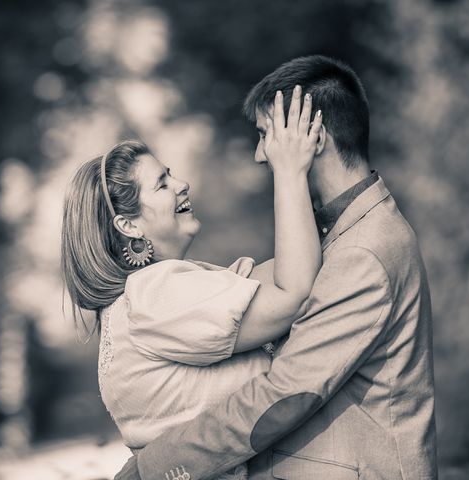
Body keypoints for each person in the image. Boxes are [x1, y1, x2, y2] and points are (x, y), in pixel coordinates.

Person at [115, 55, 437, 480]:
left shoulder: (364, 251)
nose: (259, 155)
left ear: (312, 138)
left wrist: (151, 467)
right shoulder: (340, 234)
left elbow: (287, 394)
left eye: (266, 135)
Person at [61, 90, 324, 479]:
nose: (182, 184)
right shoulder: (152, 296)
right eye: (163, 184)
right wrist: (290, 170)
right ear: (129, 225)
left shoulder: (150, 300)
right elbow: (293, 293)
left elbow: (287, 270)